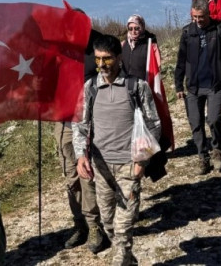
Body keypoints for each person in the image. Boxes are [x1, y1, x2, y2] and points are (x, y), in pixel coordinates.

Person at [73, 35, 161, 266]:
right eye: (98, 59)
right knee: (109, 225)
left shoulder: (137, 87)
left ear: (119, 58)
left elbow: (153, 125)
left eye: (107, 59)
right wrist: (81, 155)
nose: (102, 65)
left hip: (128, 168)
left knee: (123, 231)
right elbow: (80, 125)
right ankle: (128, 261)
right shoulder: (90, 88)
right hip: (101, 169)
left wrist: (142, 160)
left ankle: (121, 260)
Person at [174, 0, 221, 175]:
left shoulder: (220, 29)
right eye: (194, 16)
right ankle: (202, 157)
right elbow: (181, 60)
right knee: (195, 123)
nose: (197, 20)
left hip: (215, 85)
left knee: (213, 119)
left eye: (201, 16)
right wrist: (178, 85)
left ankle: (217, 150)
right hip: (193, 87)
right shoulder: (188, 32)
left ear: (208, 14)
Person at [60, 28, 105, 252]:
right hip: (62, 121)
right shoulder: (59, 52)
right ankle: (80, 225)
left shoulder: (95, 52)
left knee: (86, 175)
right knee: (70, 176)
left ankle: (95, 225)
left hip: (87, 121)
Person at [120, 14, 158, 80]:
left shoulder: (151, 46)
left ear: (142, 27)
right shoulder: (123, 45)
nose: (133, 31)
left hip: (143, 85)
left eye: (137, 28)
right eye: (130, 28)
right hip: (125, 85)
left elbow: (156, 67)